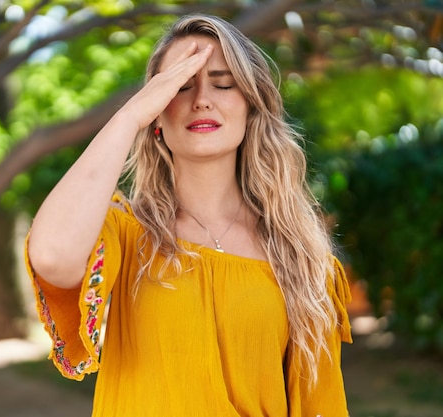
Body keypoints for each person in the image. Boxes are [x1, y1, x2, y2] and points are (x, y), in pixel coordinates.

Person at [25, 13, 352, 417]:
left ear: (250, 108)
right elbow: (53, 257)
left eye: (223, 83)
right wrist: (128, 118)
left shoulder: (300, 257)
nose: (201, 100)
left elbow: (322, 406)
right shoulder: (125, 234)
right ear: (157, 115)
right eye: (180, 86)